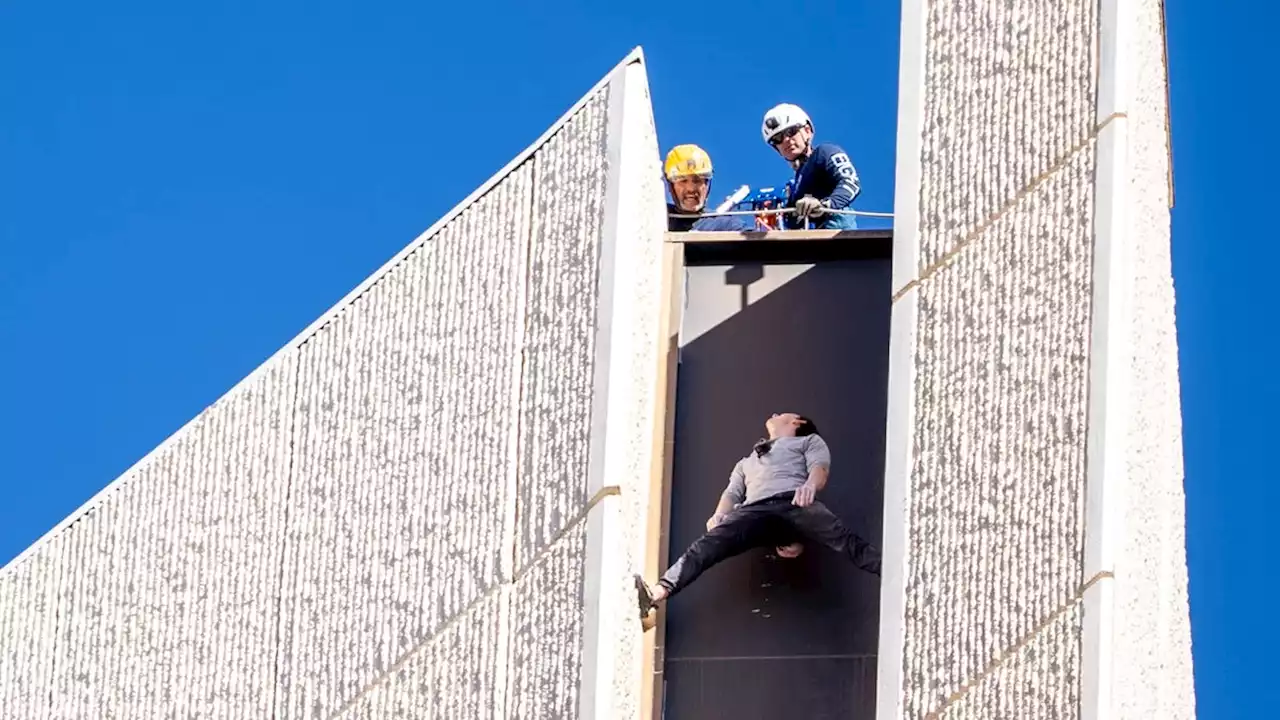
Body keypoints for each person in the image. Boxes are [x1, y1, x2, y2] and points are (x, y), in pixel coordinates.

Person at [633, 412, 881, 620]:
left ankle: (890, 570)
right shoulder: (746, 462)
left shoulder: (808, 441)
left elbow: (820, 468)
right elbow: (732, 492)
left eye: (781, 414)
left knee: (845, 540)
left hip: (793, 501)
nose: (773, 415)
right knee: (706, 547)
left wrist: (809, 487)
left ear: (796, 422)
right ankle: (656, 593)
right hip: (754, 511)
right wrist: (719, 515)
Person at [760, 103, 862, 230]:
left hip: (837, 237)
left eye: (791, 132)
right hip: (808, 242)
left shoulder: (825, 152)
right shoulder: (795, 186)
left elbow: (850, 182)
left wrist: (825, 205)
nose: (786, 140)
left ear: (807, 131)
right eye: (777, 138)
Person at [664, 144, 756, 232]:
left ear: (707, 184)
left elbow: (759, 243)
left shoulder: (725, 226)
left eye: (697, 181)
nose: (691, 189)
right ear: (671, 185)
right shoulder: (657, 218)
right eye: (683, 181)